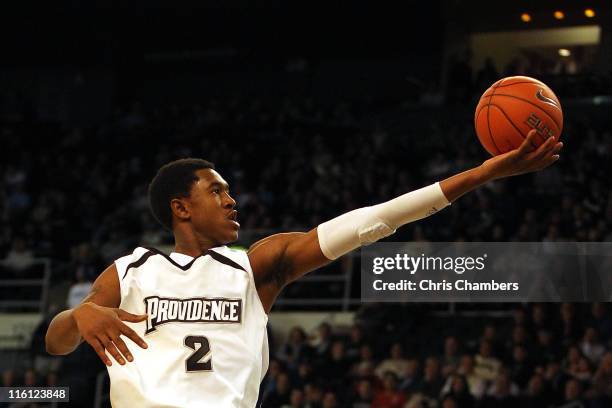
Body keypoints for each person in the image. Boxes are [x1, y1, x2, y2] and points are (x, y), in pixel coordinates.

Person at [44, 130, 562, 407]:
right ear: (181, 207)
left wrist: (480, 175)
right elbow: (56, 342)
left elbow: (370, 222)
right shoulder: (133, 269)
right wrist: (81, 316)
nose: (232, 200)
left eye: (229, 191)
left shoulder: (257, 267)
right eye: (217, 191)